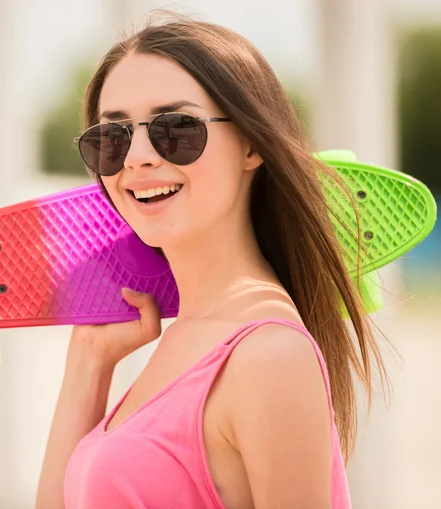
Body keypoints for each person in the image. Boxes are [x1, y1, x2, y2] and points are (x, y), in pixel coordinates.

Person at [36, 12, 388, 509]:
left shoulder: (268, 355)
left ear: (250, 144)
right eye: (112, 138)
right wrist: (88, 363)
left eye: (176, 127)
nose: (136, 157)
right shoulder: (194, 333)